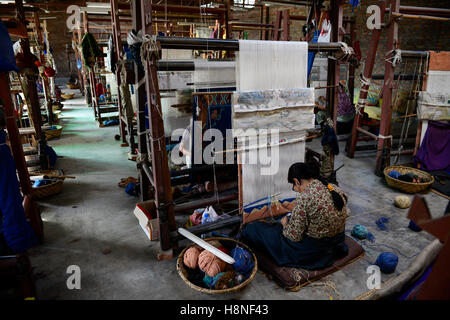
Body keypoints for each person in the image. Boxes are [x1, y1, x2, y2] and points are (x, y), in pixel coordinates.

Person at [241, 162, 349, 270]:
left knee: (255, 229)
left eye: (294, 186)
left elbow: (294, 236)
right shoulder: (334, 188)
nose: (295, 189)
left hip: (317, 250)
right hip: (337, 241)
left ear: (297, 181)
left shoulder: (305, 197)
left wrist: (285, 225)